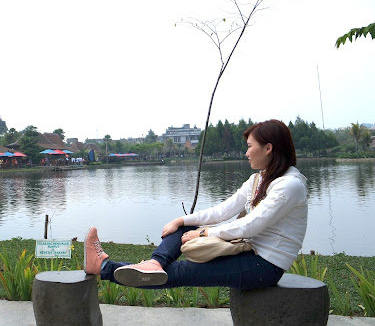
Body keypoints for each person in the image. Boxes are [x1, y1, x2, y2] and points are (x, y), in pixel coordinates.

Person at [84, 119, 308, 290]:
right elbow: (223, 211)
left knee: (179, 272)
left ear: (268, 148)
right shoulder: (259, 179)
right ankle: (155, 262)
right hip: (247, 250)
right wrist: (182, 220)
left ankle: (104, 268)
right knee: (185, 228)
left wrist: (204, 234)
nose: (246, 152)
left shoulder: (289, 186)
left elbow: (249, 226)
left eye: (250, 146)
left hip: (265, 266)